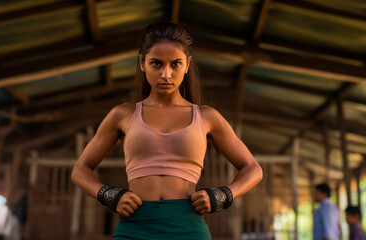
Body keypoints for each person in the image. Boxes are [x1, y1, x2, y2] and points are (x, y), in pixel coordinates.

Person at [71, 21, 263, 240]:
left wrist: (223, 195)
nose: (166, 74)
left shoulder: (207, 117)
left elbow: (253, 169)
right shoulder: (122, 115)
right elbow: (80, 170)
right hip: (134, 226)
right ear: (142, 63)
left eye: (175, 64)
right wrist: (109, 195)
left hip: (188, 226)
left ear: (187, 65)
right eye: (156, 64)